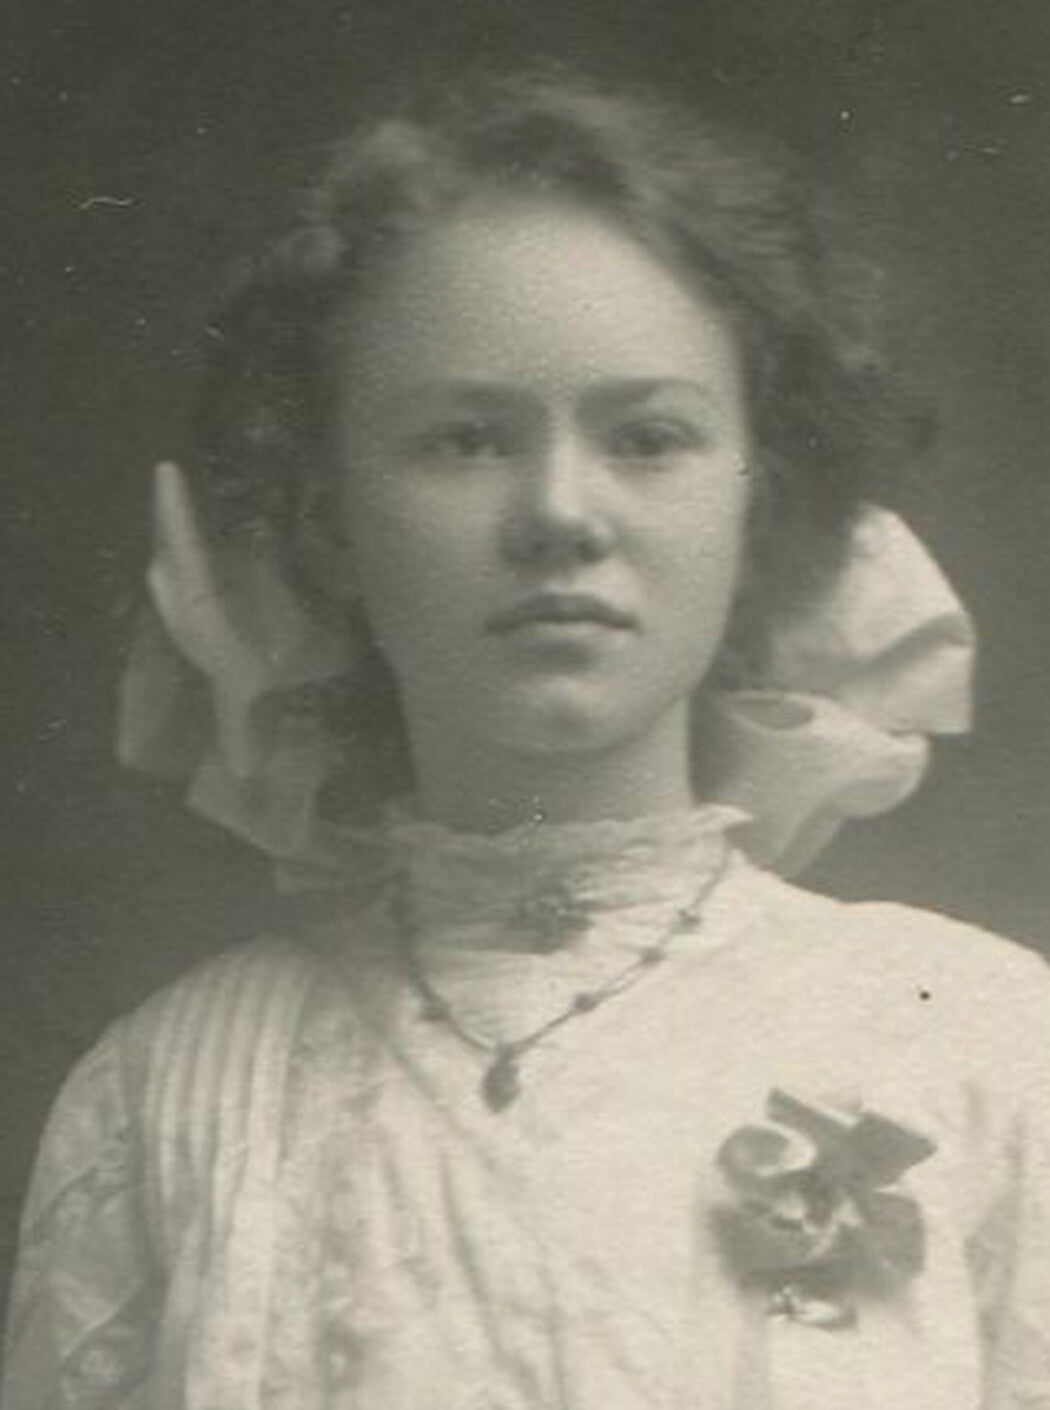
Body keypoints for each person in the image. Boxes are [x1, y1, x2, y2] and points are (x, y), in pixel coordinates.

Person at [3, 67, 1048, 1410]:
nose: (559, 512)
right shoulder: (167, 1097)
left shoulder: (980, 1047)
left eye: (648, 437)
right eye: (463, 440)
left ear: (755, 498)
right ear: (328, 520)